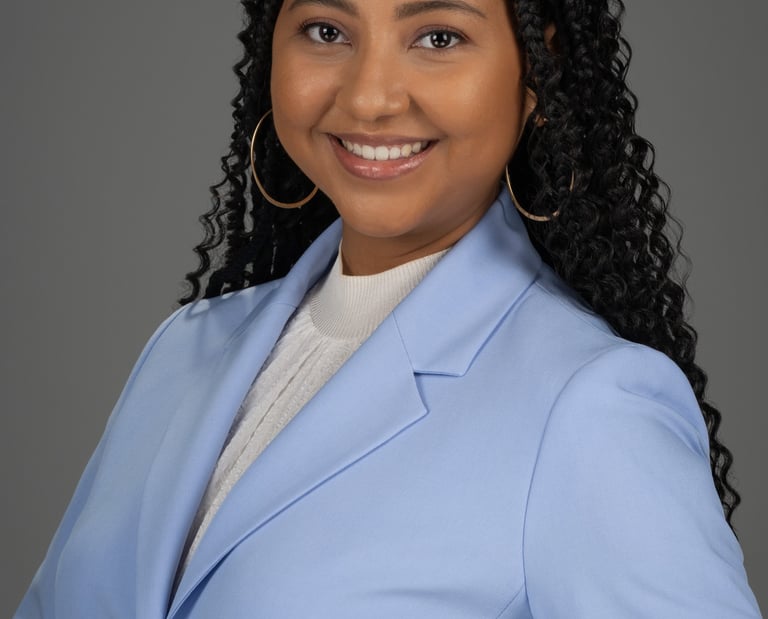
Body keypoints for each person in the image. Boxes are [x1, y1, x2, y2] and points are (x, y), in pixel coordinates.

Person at [15, 0, 762, 617]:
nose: (370, 97)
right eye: (326, 31)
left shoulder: (591, 407)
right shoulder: (184, 349)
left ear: (539, 71)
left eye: (438, 37)